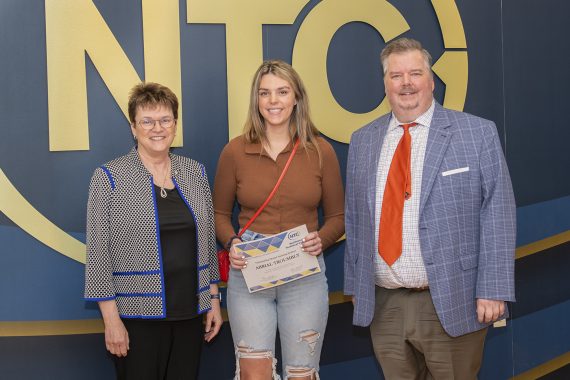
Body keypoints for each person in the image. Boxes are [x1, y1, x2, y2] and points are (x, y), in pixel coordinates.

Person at [344, 38, 516, 379]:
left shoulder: (476, 133)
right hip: (385, 303)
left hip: (453, 298)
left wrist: (493, 289)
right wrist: (355, 287)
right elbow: (355, 217)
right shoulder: (363, 140)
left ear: (431, 80)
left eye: (415, 73)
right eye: (396, 75)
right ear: (385, 83)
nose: (406, 83)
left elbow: (499, 211)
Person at [213, 60, 345, 380]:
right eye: (265, 93)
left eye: (282, 92)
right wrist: (232, 243)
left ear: (296, 97)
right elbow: (218, 215)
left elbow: (339, 218)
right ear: (256, 100)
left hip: (305, 275)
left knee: (302, 373)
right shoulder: (235, 151)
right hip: (250, 275)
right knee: (253, 373)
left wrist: (321, 238)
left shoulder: (320, 151)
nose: (273, 101)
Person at [84, 82, 222, 380]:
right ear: (134, 128)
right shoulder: (109, 177)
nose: (156, 128)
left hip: (190, 313)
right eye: (147, 121)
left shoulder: (195, 172)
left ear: (175, 125)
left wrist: (213, 299)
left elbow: (208, 242)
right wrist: (111, 321)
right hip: (136, 318)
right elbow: (98, 256)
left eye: (165, 120)